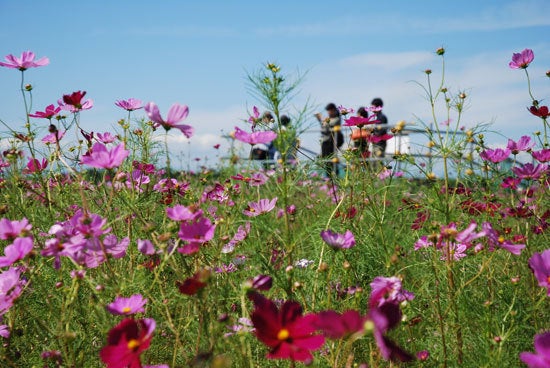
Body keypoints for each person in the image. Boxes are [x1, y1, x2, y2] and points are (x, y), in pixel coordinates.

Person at [315, 103, 342, 176]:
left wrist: (322, 119)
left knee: (332, 160)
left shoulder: (336, 119)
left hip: (331, 142)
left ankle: (334, 177)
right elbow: (324, 126)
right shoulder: (328, 119)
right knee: (326, 160)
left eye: (329, 110)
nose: (328, 112)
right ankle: (328, 178)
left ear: (333, 110)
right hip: (325, 142)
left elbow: (327, 125)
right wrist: (320, 120)